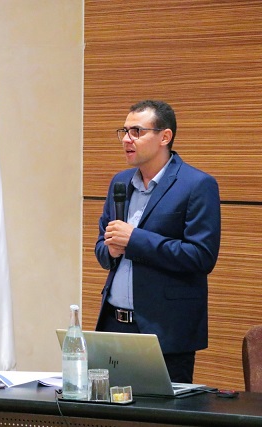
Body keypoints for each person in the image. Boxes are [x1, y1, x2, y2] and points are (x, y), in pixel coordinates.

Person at [94, 100, 221, 383]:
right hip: (114, 325)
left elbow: (201, 256)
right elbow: (102, 248)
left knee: (159, 409)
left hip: (165, 330)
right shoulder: (120, 183)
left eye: (137, 132)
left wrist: (135, 239)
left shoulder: (197, 185)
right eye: (124, 131)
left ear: (165, 137)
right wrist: (110, 250)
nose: (126, 139)